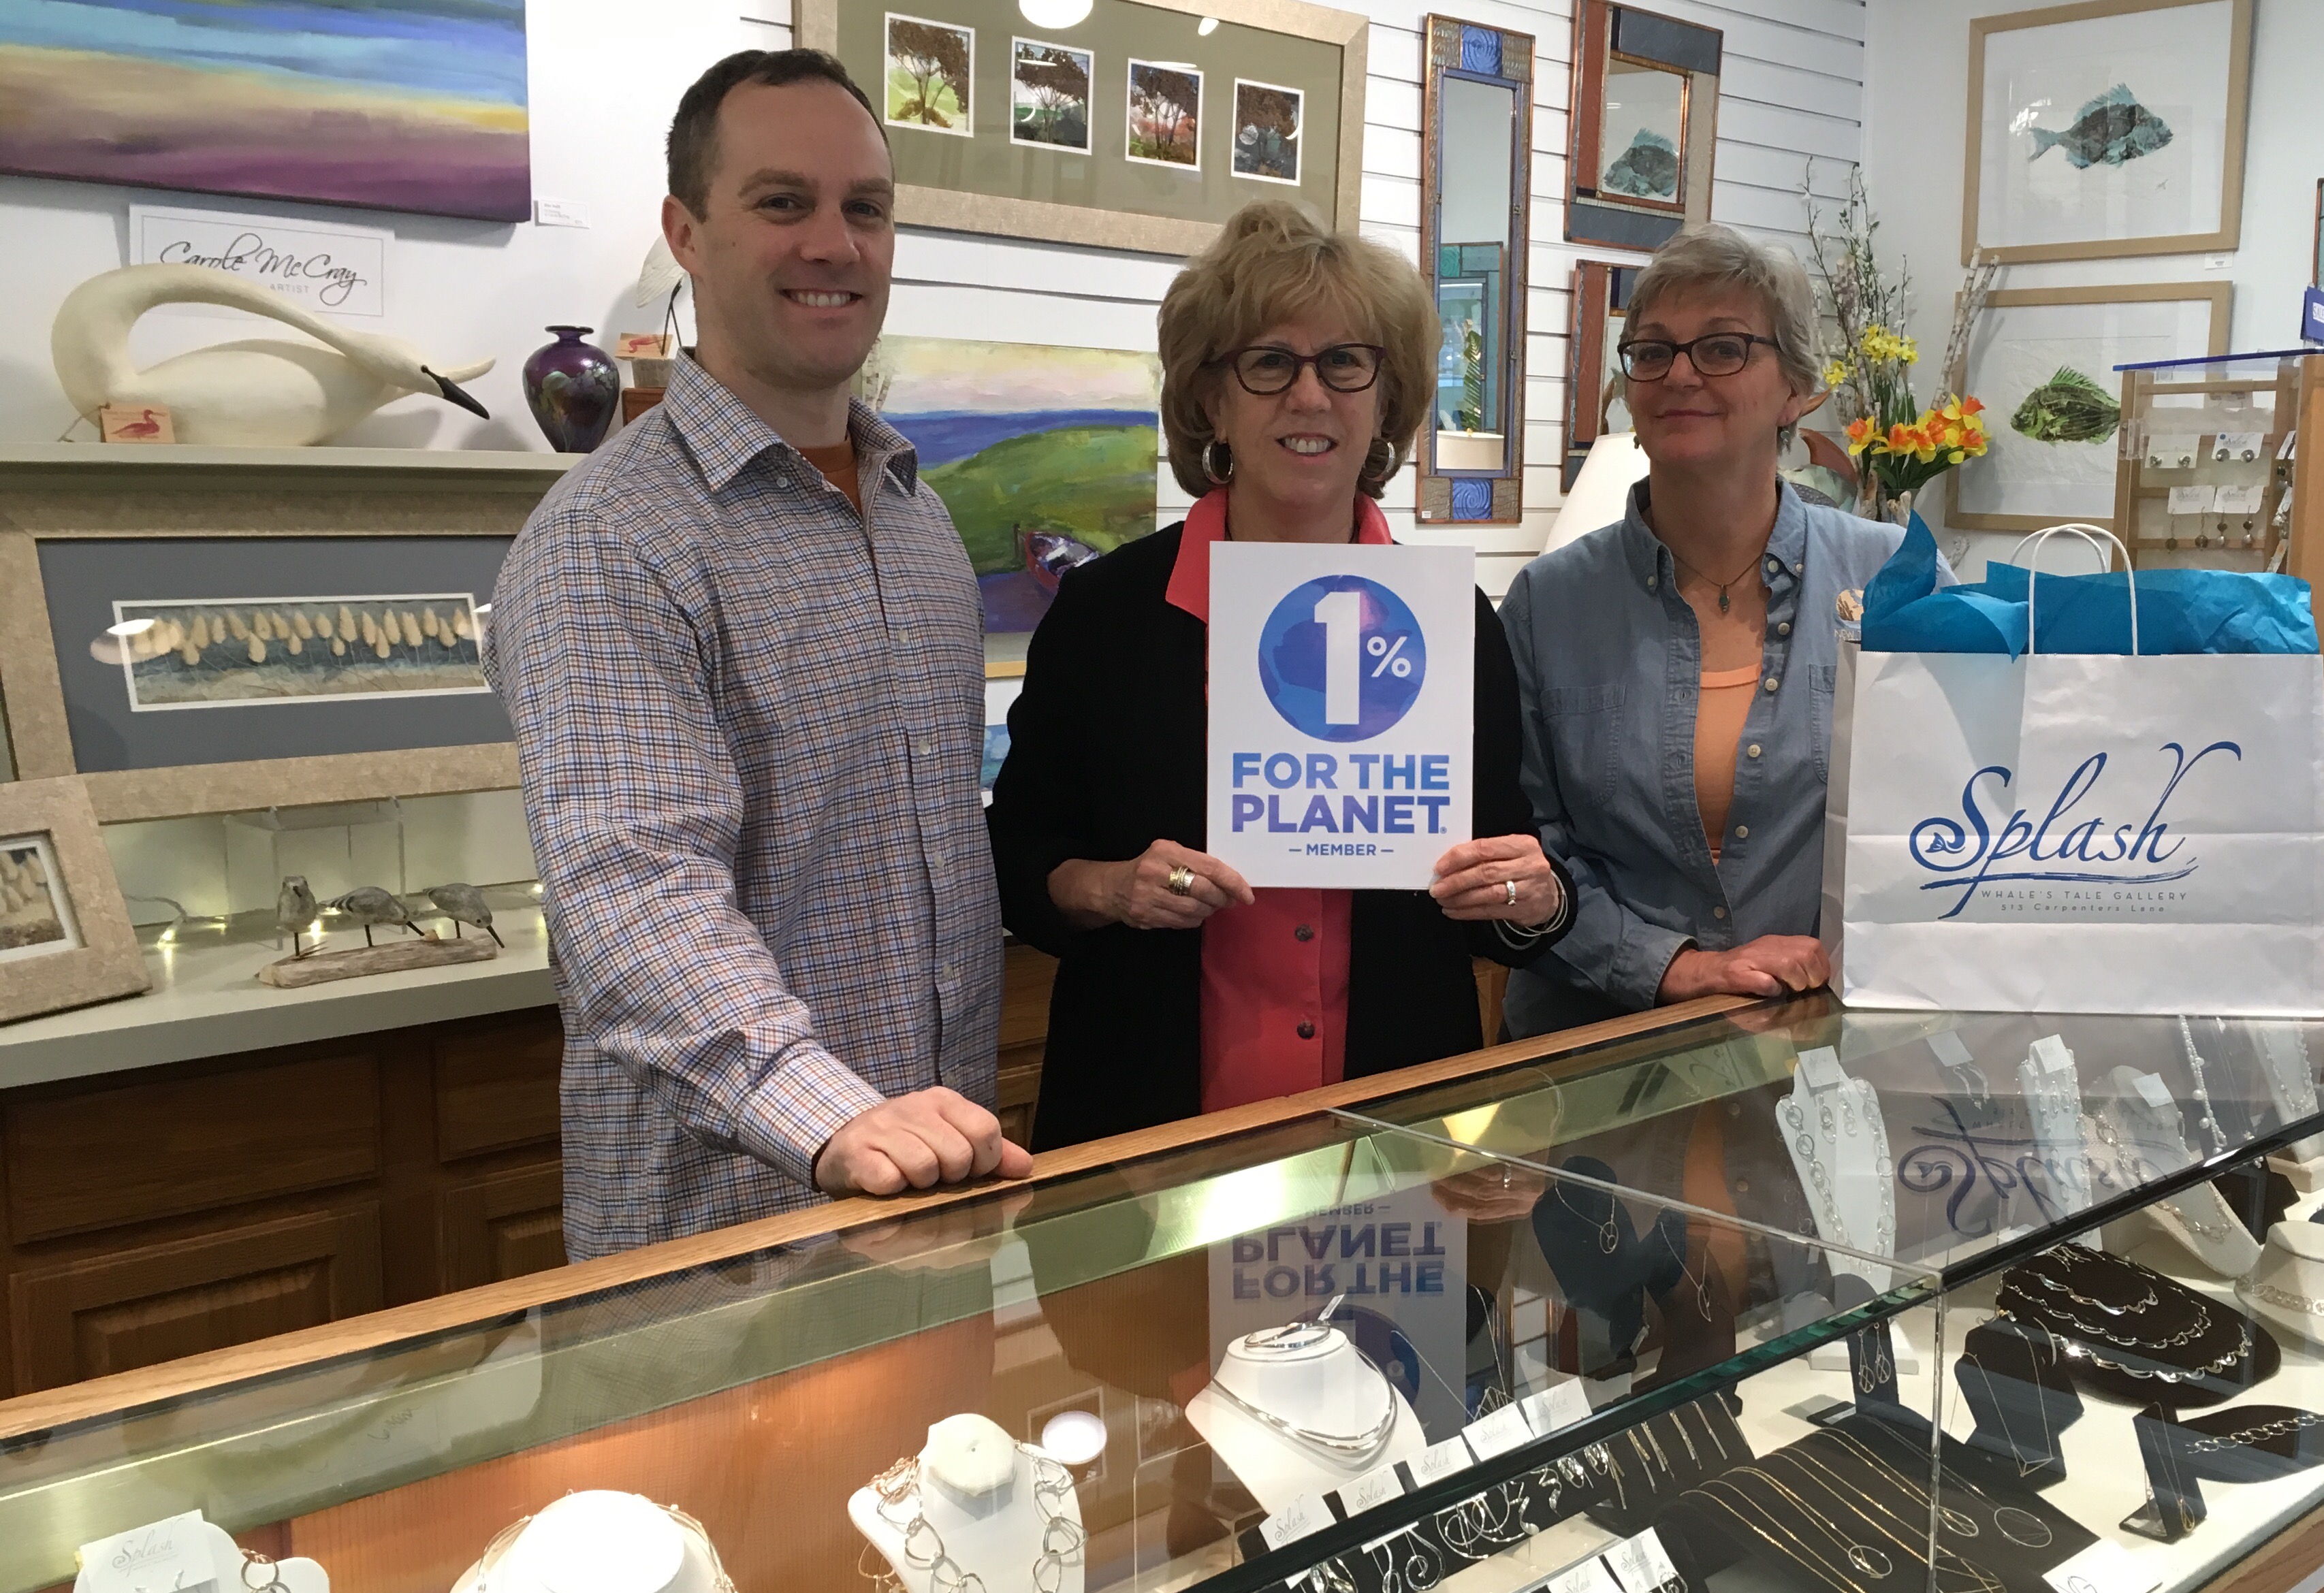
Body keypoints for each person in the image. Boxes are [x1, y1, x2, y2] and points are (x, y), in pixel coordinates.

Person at [489, 50, 1028, 1259]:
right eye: (783, 202)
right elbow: (632, 891)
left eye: (865, 207)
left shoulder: (919, 520)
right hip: (726, 1247)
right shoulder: (609, 540)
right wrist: (837, 1117)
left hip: (937, 1199)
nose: (833, 243)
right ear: (686, 231)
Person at [987, 202, 1574, 1146]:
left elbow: (1502, 896)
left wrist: (1531, 898)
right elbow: (1016, 864)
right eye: (1268, 363)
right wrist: (1111, 888)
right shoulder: (1108, 615)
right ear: (1211, 399)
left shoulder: (1452, 620)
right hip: (1149, 1139)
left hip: (1394, 1147)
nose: (1310, 397)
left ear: (1388, 396)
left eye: (1346, 362)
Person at [1498, 223, 1907, 1038]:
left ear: (1797, 389)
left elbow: (1955, 816)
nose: (1679, 374)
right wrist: (1671, 966)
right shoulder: (1547, 603)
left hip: (1828, 1053)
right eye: (1652, 352)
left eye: (1721, 348)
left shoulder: (1894, 582)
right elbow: (1520, 850)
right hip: (1597, 1064)